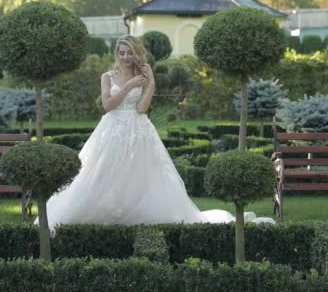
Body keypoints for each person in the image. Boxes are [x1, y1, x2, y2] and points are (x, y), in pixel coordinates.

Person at [35, 35, 234, 232]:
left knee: (140, 173)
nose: (125, 57)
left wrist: (151, 83)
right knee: (103, 171)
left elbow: (141, 109)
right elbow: (107, 105)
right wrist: (128, 86)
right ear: (116, 54)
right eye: (121, 53)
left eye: (130, 52)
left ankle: (134, 214)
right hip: (111, 129)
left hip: (139, 129)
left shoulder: (143, 77)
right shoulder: (107, 77)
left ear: (137, 53)